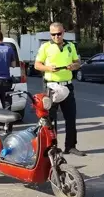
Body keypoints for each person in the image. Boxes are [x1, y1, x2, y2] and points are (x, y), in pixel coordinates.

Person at [34, 22, 86, 156]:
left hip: (67, 85)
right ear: (50, 34)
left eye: (59, 33)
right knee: (49, 119)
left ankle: (70, 146)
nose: (56, 36)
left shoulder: (70, 46)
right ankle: (51, 148)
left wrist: (73, 66)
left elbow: (78, 63)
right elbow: (37, 65)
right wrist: (48, 68)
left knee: (71, 117)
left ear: (63, 32)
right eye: (53, 34)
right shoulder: (45, 47)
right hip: (51, 86)